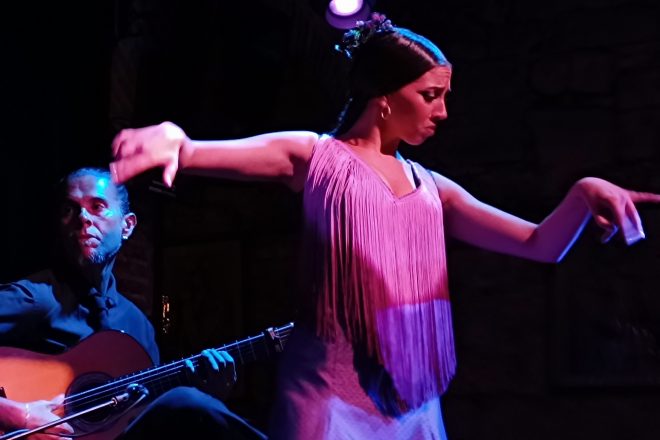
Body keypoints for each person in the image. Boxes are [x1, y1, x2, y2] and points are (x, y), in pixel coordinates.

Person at [108, 13, 660, 440]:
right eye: (430, 96)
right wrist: (175, 141)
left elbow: (541, 245)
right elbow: (200, 151)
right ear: (385, 99)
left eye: (443, 96)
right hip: (329, 400)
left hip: (413, 405)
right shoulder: (316, 157)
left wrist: (583, 193)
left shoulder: (433, 189)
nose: (442, 112)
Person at [0, 167, 265, 440]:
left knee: (188, 404)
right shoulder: (34, 298)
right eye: (69, 210)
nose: (83, 219)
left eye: (97, 206)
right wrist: (17, 414)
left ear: (127, 226)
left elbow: (143, 418)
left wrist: (210, 396)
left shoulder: (138, 327)